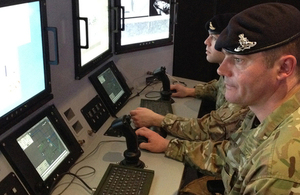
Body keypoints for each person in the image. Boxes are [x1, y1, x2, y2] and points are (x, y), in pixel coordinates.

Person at [134, 2, 300, 194]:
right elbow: (232, 156)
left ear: (284, 68)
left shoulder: (277, 170)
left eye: (238, 60)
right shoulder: (261, 110)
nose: (221, 70)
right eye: (227, 56)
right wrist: (169, 146)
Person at [131, 13, 249, 143]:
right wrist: (190, 91)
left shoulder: (242, 87)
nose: (206, 42)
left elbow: (210, 130)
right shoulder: (228, 75)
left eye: (214, 38)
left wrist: (158, 120)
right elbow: (218, 88)